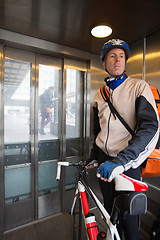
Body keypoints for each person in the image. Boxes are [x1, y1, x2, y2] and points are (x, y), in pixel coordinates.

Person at [86, 39, 159, 240]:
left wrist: (123, 160)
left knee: (129, 221)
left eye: (121, 56)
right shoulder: (99, 95)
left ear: (125, 62)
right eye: (112, 56)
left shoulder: (139, 87)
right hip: (104, 161)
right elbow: (97, 130)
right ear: (104, 63)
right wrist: (93, 155)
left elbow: (150, 127)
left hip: (128, 163)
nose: (117, 60)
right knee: (109, 211)